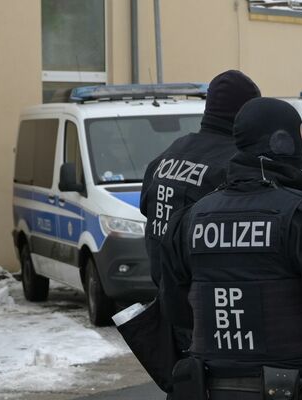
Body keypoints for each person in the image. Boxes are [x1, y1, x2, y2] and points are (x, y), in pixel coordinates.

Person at [160, 97, 302, 400]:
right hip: (294, 386)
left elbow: (175, 307)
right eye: (301, 137)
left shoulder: (190, 219)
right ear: (283, 143)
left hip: (208, 387)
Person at [118, 70, 260, 396]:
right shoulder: (232, 164)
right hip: (214, 316)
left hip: (170, 306)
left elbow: (148, 211)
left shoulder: (167, 156)